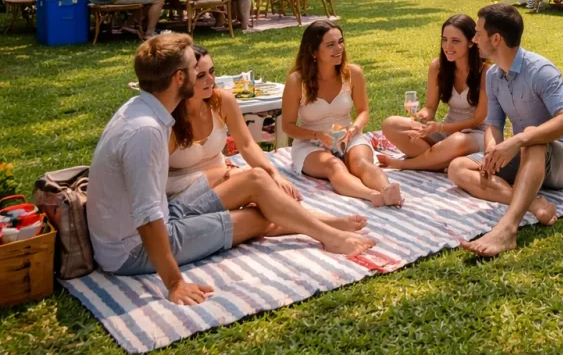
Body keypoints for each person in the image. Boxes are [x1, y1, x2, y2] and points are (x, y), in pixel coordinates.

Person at [87, 34, 374, 306]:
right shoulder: (145, 131)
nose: (208, 77)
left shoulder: (141, 109)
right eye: (194, 70)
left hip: (167, 213)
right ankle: (329, 235)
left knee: (256, 179)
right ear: (179, 78)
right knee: (255, 218)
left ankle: (326, 229)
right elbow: (147, 217)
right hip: (132, 249)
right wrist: (175, 284)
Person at [169, 45, 371, 238]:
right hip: (183, 193)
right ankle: (324, 226)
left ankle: (322, 223)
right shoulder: (168, 117)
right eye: (201, 76)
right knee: (259, 197)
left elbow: (247, 145)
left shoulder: (222, 101)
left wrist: (274, 173)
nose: (211, 80)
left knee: (265, 202)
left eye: (212, 71)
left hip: (225, 181)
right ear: (181, 79)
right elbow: (158, 180)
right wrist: (224, 173)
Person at [447, 4, 563, 257]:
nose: (474, 39)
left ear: (496, 39)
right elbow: (494, 124)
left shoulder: (541, 71)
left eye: (478, 33)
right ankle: (533, 202)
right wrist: (492, 149)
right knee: (458, 168)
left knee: (532, 138)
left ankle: (507, 230)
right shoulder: (492, 76)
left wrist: (519, 140)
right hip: (528, 157)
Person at [282, 21, 403, 206]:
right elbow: (287, 127)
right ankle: (372, 196)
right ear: (314, 52)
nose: (339, 48)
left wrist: (355, 128)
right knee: (334, 166)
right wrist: (317, 135)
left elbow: (363, 112)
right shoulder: (297, 81)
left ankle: (387, 190)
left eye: (340, 41)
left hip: (349, 135)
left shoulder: (353, 73)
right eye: (330, 45)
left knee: (360, 162)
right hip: (311, 142)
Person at [379, 15, 488, 172]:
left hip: (475, 134)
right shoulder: (437, 66)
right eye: (444, 39)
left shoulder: (485, 71)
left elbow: (478, 118)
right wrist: (422, 117)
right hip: (444, 133)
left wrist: (440, 127)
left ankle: (407, 164)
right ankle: (440, 160)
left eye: (455, 41)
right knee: (391, 124)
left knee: (457, 141)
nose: (447, 46)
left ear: (471, 42)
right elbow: (430, 107)